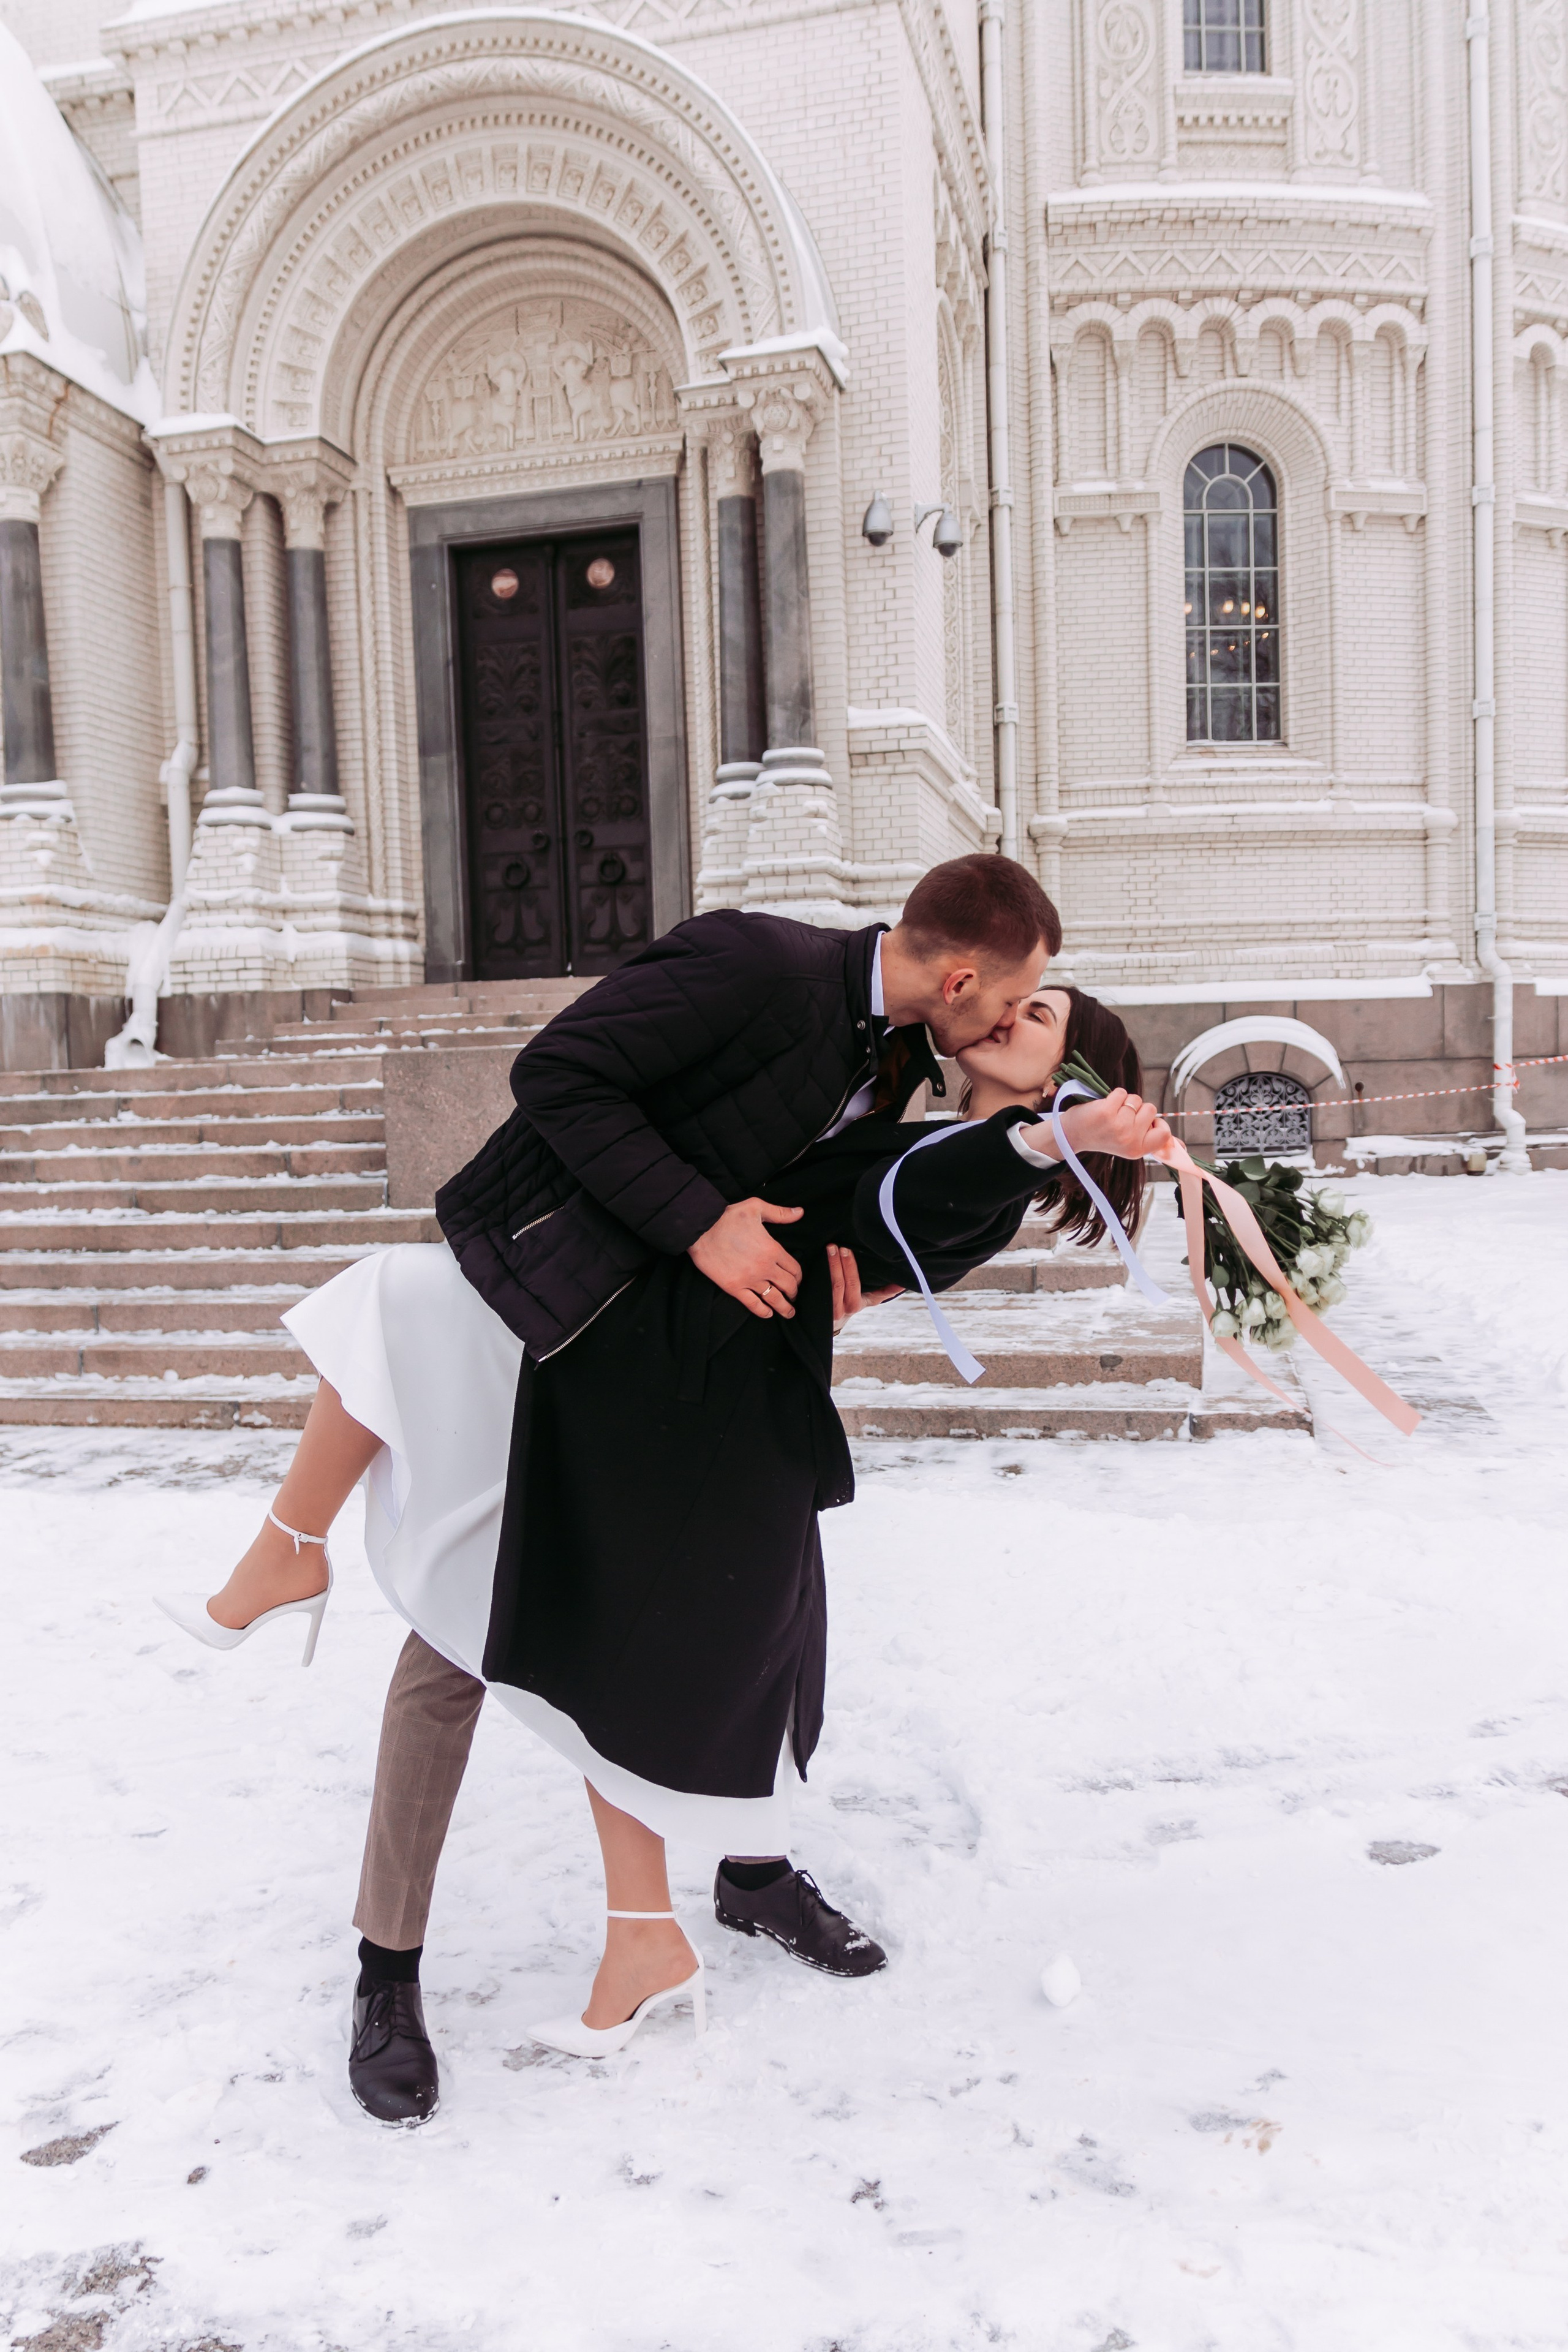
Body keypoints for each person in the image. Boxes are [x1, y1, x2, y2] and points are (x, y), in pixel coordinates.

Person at [158, 858, 1166, 2122]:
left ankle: (744, 1874)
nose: (1010, 1018)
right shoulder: (756, 963)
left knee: (756, 1610)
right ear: (962, 977)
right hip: (556, 1300)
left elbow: (896, 1201)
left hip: (684, 1372)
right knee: (457, 1634)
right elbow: (556, 1081)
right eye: (1015, 999)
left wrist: (871, 1267)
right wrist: (703, 1223)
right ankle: (387, 1968)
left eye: (1033, 1017)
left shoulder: (915, 1065)